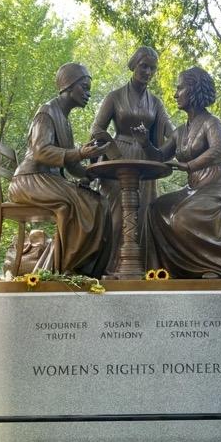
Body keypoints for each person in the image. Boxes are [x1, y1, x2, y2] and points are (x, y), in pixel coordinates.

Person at [131, 67, 221, 279]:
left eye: (180, 88)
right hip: (196, 186)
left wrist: (190, 166)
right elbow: (159, 156)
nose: (175, 94)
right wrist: (146, 143)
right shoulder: (180, 131)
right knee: (155, 209)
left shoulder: (212, 122)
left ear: (193, 90)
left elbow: (220, 149)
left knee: (184, 216)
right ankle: (165, 270)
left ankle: (216, 266)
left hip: (218, 183)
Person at [8, 63, 110, 278]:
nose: (88, 93)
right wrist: (80, 152)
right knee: (76, 204)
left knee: (99, 201)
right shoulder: (46, 112)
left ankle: (83, 267)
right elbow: (41, 151)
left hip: (48, 180)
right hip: (30, 180)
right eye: (84, 87)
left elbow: (71, 164)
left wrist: (88, 172)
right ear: (68, 86)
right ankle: (64, 266)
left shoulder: (64, 120)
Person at [90, 46, 173, 273]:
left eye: (152, 68)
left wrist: (162, 152)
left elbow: (172, 134)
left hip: (145, 161)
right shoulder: (114, 97)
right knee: (118, 214)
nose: (148, 71)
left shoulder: (155, 103)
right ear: (134, 65)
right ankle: (114, 268)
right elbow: (96, 128)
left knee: (144, 212)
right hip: (118, 160)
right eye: (144, 66)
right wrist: (111, 148)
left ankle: (142, 266)